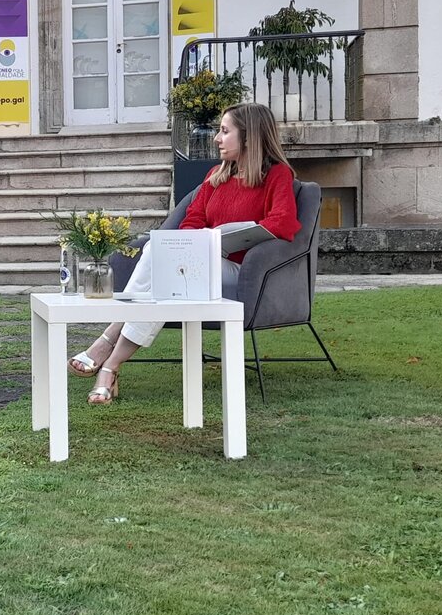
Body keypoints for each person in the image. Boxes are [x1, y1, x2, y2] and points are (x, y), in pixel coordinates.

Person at [68, 102, 301, 404]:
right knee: (157, 253)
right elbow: (191, 220)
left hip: (242, 269)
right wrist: (203, 240)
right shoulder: (216, 176)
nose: (217, 138)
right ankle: (110, 367)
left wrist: (237, 235)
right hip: (201, 262)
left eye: (225, 131)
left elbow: (282, 223)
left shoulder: (277, 175)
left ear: (249, 136)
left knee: (163, 265)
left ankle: (106, 344)